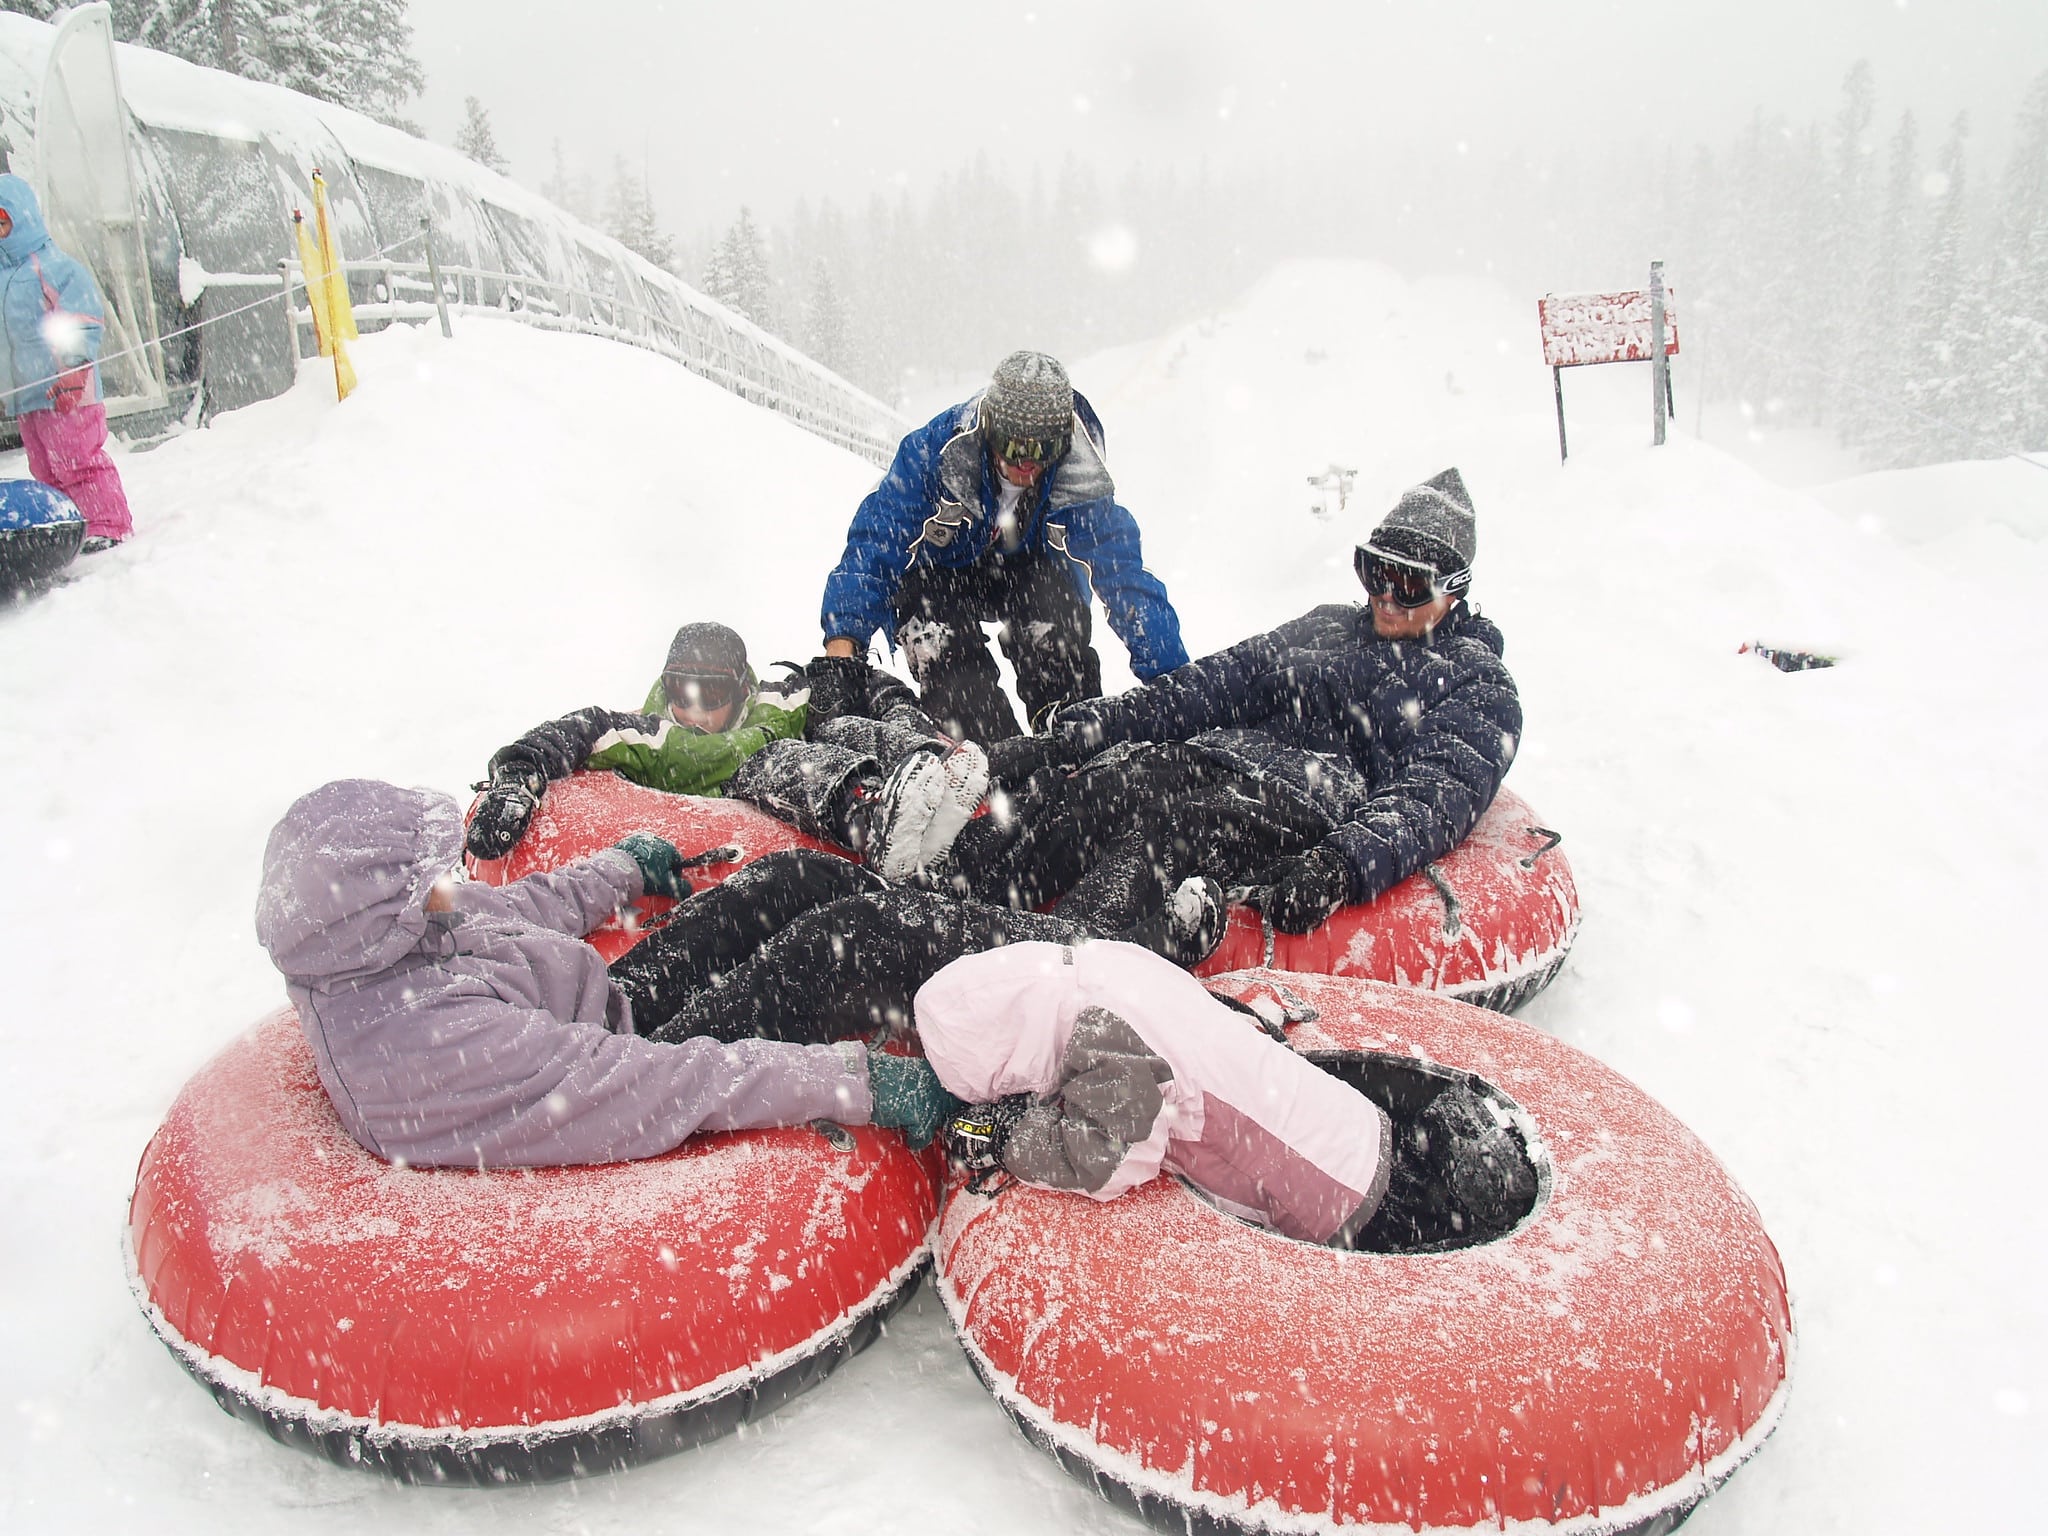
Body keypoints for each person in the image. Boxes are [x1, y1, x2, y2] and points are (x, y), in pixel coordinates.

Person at [254, 779, 960, 1170]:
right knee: (838, 948)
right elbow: (653, 1085)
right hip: (628, 1057)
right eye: (429, 879)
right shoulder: (424, 1049)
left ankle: (956, 924)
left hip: (605, 1007)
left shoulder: (395, 930)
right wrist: (854, 1082)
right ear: (374, 907)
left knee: (789, 877)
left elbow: (510, 910)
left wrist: (624, 867)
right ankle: (1029, 979)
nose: (449, 883)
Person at [963, 467, 1521, 939]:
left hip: (1306, 797)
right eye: (1375, 573)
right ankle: (950, 906)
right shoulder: (1326, 625)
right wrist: (1077, 732)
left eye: (1410, 585)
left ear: (1455, 589)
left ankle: (1056, 960)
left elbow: (1432, 795)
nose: (1386, 598)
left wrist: (1339, 865)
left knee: (1174, 834)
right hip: (1219, 756)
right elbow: (1214, 683)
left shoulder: (1476, 683)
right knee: (1099, 792)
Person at [818, 350, 1188, 744]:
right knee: (946, 652)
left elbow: (1124, 577)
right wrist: (844, 639)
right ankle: (988, 755)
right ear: (991, 429)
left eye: (1044, 450)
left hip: (1026, 572)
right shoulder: (936, 453)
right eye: (1015, 447)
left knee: (1055, 618)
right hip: (939, 576)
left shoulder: (1079, 478)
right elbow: (876, 543)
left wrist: (1174, 683)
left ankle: (1069, 740)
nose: (1028, 465)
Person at [916, 941, 1394, 1245]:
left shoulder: (1103, 1032)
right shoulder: (1101, 965)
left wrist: (1009, 1136)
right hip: (1349, 1124)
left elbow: (1108, 1161)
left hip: (1333, 1197)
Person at [465, 621, 990, 883]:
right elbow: (576, 730)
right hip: (773, 804)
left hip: (849, 761)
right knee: (776, 760)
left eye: (709, 693)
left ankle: (935, 772)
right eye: (680, 689)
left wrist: (901, 718)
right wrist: (517, 775)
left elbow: (863, 682)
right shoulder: (652, 735)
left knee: (839, 724)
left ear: (740, 688)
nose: (692, 707)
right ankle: (869, 816)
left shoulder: (779, 700)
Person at [0, 175, 132, 553]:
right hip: (28, 396)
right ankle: (63, 529)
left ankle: (107, 523)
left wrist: (73, 368)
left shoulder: (55, 268)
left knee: (77, 459)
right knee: (44, 468)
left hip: (67, 390)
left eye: (2, 222)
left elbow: (79, 320)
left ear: (23, 219)